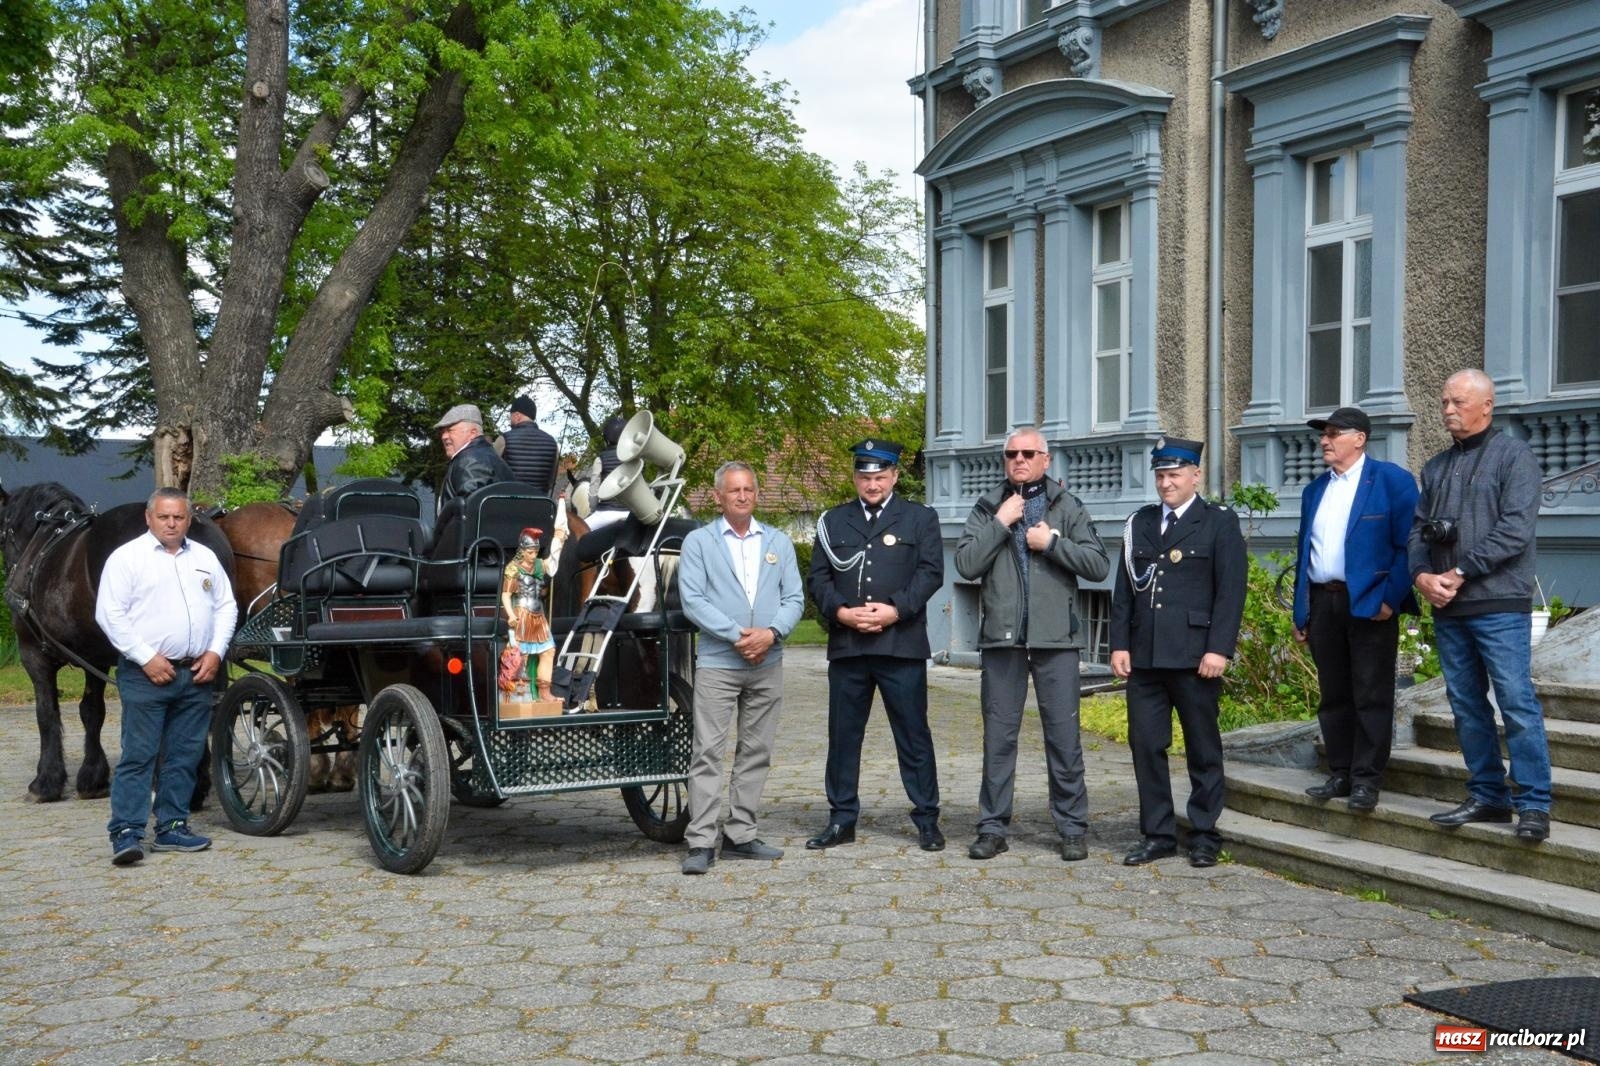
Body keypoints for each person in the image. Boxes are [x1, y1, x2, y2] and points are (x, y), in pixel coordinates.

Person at [954, 428, 1109, 862]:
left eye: (1028, 453)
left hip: (1055, 640)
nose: (1019, 460)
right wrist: (1001, 523)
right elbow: (966, 563)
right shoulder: (988, 507)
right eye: (1011, 454)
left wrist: (1053, 543)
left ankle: (1072, 828)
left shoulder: (1068, 505)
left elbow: (1099, 565)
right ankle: (992, 827)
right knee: (998, 739)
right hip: (1002, 641)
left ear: (1046, 459)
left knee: (1064, 739)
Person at [1410, 369, 1552, 842]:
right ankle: (1488, 795)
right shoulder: (1434, 467)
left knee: (1515, 701)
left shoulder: (1515, 457)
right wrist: (1422, 576)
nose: (1448, 410)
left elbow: (1514, 530)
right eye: (1445, 402)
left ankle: (1533, 804)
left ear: (1487, 405)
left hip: (1499, 603)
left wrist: (1459, 571)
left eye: (1458, 402)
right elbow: (1416, 533)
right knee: (1466, 705)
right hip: (1450, 607)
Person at [1109, 436, 1247, 868]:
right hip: (1146, 658)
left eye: (1174, 475)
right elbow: (1124, 591)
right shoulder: (1142, 523)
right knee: (1145, 746)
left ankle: (1205, 833)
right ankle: (1158, 834)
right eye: (1161, 475)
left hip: (1194, 658)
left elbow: (1230, 591)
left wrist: (1218, 649)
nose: (1166, 484)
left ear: (1195, 476)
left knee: (1202, 747)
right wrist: (1118, 644)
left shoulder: (1218, 522)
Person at [806, 439, 946, 852]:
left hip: (900, 645)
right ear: (855, 478)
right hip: (849, 646)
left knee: (913, 735)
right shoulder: (834, 520)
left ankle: (926, 818)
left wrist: (894, 610)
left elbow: (931, 573)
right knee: (843, 737)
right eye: (865, 477)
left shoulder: (920, 518)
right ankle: (841, 818)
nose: (872, 484)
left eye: (880, 476)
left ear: (895, 476)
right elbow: (818, 578)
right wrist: (842, 613)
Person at [95, 488, 239, 866]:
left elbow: (226, 607)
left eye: (179, 517)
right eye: (164, 517)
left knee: (184, 755)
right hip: (147, 674)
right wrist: (145, 657)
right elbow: (110, 614)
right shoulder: (127, 558)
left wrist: (215, 652)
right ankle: (126, 832)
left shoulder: (205, 558)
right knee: (139, 755)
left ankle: (173, 826)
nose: (172, 523)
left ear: (189, 519)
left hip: (196, 673)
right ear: (149, 518)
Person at [676, 462, 805, 875]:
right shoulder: (698, 542)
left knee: (756, 751)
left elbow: (795, 598)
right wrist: (736, 635)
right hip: (719, 662)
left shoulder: (779, 542)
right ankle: (700, 842)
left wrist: (771, 633)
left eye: (749, 489)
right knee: (708, 752)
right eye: (735, 491)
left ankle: (740, 835)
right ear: (718, 496)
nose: (743, 496)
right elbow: (693, 600)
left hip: (769, 661)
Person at [1291, 406, 1419, 813]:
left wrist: (1391, 598)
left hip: (1369, 602)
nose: (1324, 441)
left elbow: (1410, 545)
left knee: (1371, 692)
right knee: (1334, 694)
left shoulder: (1391, 480)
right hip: (1323, 599)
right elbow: (1303, 554)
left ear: (1359, 438)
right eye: (1323, 434)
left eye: (1333, 433)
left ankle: (1367, 779)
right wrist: (1302, 610)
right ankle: (1341, 770)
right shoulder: (1316, 490)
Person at [501, 526, 563, 702]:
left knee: (548, 651)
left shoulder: (538, 565)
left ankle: (544, 692)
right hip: (522, 613)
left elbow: (552, 563)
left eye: (536, 551)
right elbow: (506, 595)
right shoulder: (513, 568)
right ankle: (522, 693)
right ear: (522, 551)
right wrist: (511, 615)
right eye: (530, 551)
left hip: (538, 615)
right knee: (522, 654)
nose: (533, 554)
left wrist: (558, 541)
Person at [435, 402, 514, 516]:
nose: (444, 436)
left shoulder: (469, 461)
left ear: (473, 433)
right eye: (442, 432)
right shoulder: (488, 455)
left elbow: (469, 516)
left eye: (450, 430)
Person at [496, 395, 560, 495]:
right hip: (540, 505)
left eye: (511, 416)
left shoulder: (504, 439)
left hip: (507, 504)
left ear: (517, 416)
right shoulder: (552, 443)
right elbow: (551, 481)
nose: (510, 420)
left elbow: (492, 472)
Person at [585, 413, 631, 530]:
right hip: (630, 514)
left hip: (606, 514)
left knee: (577, 534)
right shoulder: (634, 457)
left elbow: (594, 490)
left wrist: (593, 509)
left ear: (606, 438)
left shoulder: (601, 458)